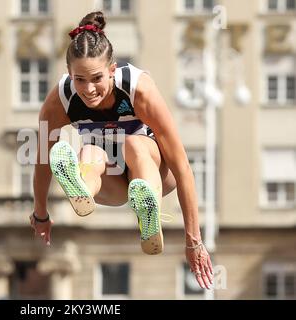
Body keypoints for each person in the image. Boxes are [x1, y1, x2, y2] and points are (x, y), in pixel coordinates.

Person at [29, 11, 213, 289]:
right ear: (69, 74)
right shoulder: (60, 100)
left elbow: (182, 166)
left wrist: (193, 239)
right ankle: (81, 189)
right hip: (114, 182)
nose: (88, 89)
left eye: (97, 78)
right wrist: (40, 213)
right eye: (79, 79)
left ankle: (148, 207)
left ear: (112, 70)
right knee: (89, 153)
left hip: (155, 170)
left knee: (133, 143)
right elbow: (43, 160)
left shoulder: (138, 89)